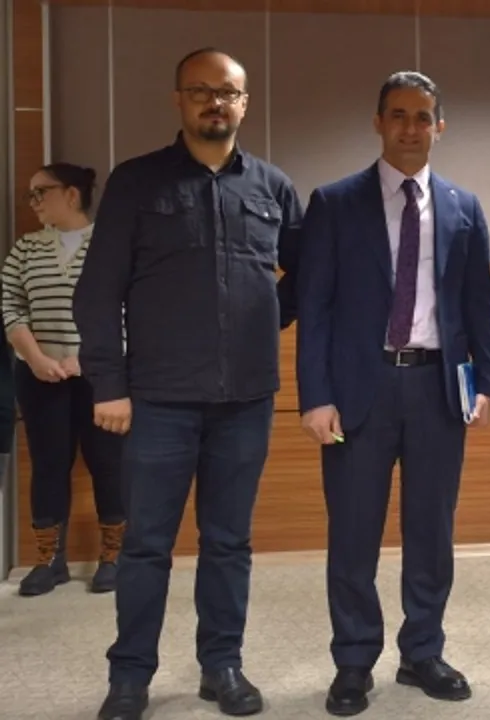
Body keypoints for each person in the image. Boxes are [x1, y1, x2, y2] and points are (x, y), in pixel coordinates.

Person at [74, 47, 303, 720]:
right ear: (178, 99)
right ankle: (130, 676)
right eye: (200, 90)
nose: (214, 102)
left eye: (227, 92)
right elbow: (98, 291)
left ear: (245, 103)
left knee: (229, 543)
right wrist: (108, 383)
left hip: (246, 401)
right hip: (157, 401)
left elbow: (307, 275)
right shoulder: (137, 182)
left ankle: (221, 665)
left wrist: (263, 321)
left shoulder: (272, 187)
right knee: (147, 545)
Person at [295, 70, 490, 717]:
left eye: (422, 117)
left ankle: (422, 651)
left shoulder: (464, 206)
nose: (410, 128)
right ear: (378, 122)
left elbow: (479, 303)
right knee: (353, 533)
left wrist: (489, 383)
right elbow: (314, 306)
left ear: (439, 126)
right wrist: (314, 396)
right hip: (358, 391)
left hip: (437, 386)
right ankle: (354, 660)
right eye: (398, 115)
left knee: (431, 530)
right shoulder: (334, 203)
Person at [3, 162, 126, 597]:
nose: (33, 201)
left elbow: (132, 309)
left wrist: (87, 359)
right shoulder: (26, 248)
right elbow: (10, 305)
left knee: (109, 464)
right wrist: (35, 357)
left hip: (102, 379)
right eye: (31, 194)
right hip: (39, 376)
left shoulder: (112, 244)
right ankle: (48, 561)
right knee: (48, 465)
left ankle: (113, 558)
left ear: (72, 194)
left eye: (41, 192)